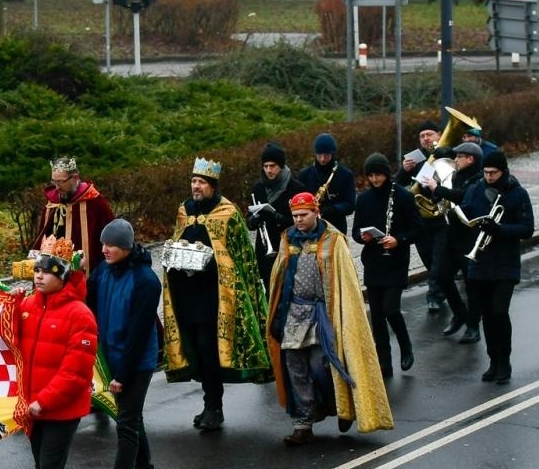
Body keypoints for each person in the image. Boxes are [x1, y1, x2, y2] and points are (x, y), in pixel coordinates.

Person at [265, 191, 392, 444]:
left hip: (323, 313)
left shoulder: (334, 241)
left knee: (321, 367)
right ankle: (303, 422)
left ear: (316, 213)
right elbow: (278, 276)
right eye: (295, 216)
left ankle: (341, 407)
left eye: (303, 215)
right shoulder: (287, 238)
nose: (298, 220)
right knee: (295, 368)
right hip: (293, 313)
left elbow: (345, 282)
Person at [161, 157, 272, 432]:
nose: (196, 187)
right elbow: (177, 240)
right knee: (196, 350)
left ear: (212, 185)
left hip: (215, 297)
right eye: (193, 181)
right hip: (186, 293)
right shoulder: (184, 210)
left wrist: (212, 263)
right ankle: (208, 403)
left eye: (201, 182)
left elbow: (240, 256)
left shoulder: (228, 212)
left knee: (209, 350)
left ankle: (214, 407)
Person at [15, 250, 97, 469]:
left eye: (47, 272)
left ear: (61, 277)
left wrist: (44, 400)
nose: (39, 276)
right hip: (34, 408)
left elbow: (76, 372)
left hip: (60, 408)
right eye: (36, 270)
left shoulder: (79, 314)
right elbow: (3, 341)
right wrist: (9, 307)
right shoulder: (28, 306)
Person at [86, 219, 162, 469]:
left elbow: (139, 333)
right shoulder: (103, 270)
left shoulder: (146, 281)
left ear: (127, 248)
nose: (104, 250)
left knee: (126, 423)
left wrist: (122, 375)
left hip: (136, 362)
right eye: (103, 244)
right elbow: (87, 300)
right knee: (130, 420)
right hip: (109, 356)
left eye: (111, 245)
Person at [460, 151, 535, 383]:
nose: (489, 177)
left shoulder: (517, 193)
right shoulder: (475, 190)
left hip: (505, 264)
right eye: (486, 173)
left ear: (503, 171)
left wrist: (500, 230)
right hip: (480, 263)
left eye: (493, 173)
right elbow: (466, 213)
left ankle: (505, 361)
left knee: (500, 312)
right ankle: (493, 360)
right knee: (486, 315)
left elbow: (527, 229)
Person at [352, 152, 421, 376]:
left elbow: (418, 230)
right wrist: (362, 237)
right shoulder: (363, 199)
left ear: (386, 174)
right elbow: (355, 231)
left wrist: (398, 239)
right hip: (374, 261)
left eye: (378, 175)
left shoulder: (402, 196)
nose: (375, 179)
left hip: (396, 261)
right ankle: (384, 361)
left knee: (390, 308)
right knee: (377, 315)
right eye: (370, 175)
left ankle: (405, 345)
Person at [425, 141, 484, 343]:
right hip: (452, 235)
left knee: (472, 285)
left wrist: (438, 189)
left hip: (470, 238)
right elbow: (446, 198)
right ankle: (459, 313)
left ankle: (473, 326)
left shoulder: (478, 179)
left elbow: (464, 198)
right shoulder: (456, 176)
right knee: (442, 276)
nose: (455, 160)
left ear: (471, 159)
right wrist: (435, 195)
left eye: (459, 157)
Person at [397, 146, 446, 311]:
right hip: (420, 221)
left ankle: (434, 295)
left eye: (429, 134)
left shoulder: (445, 156)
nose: (425, 138)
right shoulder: (415, 160)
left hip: (441, 221)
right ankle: (443, 288)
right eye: (422, 135)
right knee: (428, 260)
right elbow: (398, 184)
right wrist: (404, 170)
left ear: (438, 135)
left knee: (438, 261)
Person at [37, 156, 115, 258]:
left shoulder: (95, 202)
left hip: (88, 268)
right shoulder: (52, 203)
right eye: (54, 181)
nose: (57, 187)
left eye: (61, 181)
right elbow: (42, 237)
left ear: (75, 178)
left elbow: (110, 236)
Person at [247, 142, 300, 286]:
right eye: (265, 166)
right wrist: (253, 220)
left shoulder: (295, 188)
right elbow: (249, 221)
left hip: (288, 245)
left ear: (281, 166)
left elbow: (302, 221)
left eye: (273, 166)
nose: (269, 170)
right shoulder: (258, 188)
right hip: (265, 249)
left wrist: (279, 217)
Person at [295, 132, 356, 232]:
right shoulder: (304, 175)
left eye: (326, 155)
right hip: (310, 227)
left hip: (336, 227)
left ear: (332, 153)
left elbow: (350, 205)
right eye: (319, 154)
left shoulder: (345, 174)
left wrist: (334, 209)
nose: (322, 159)